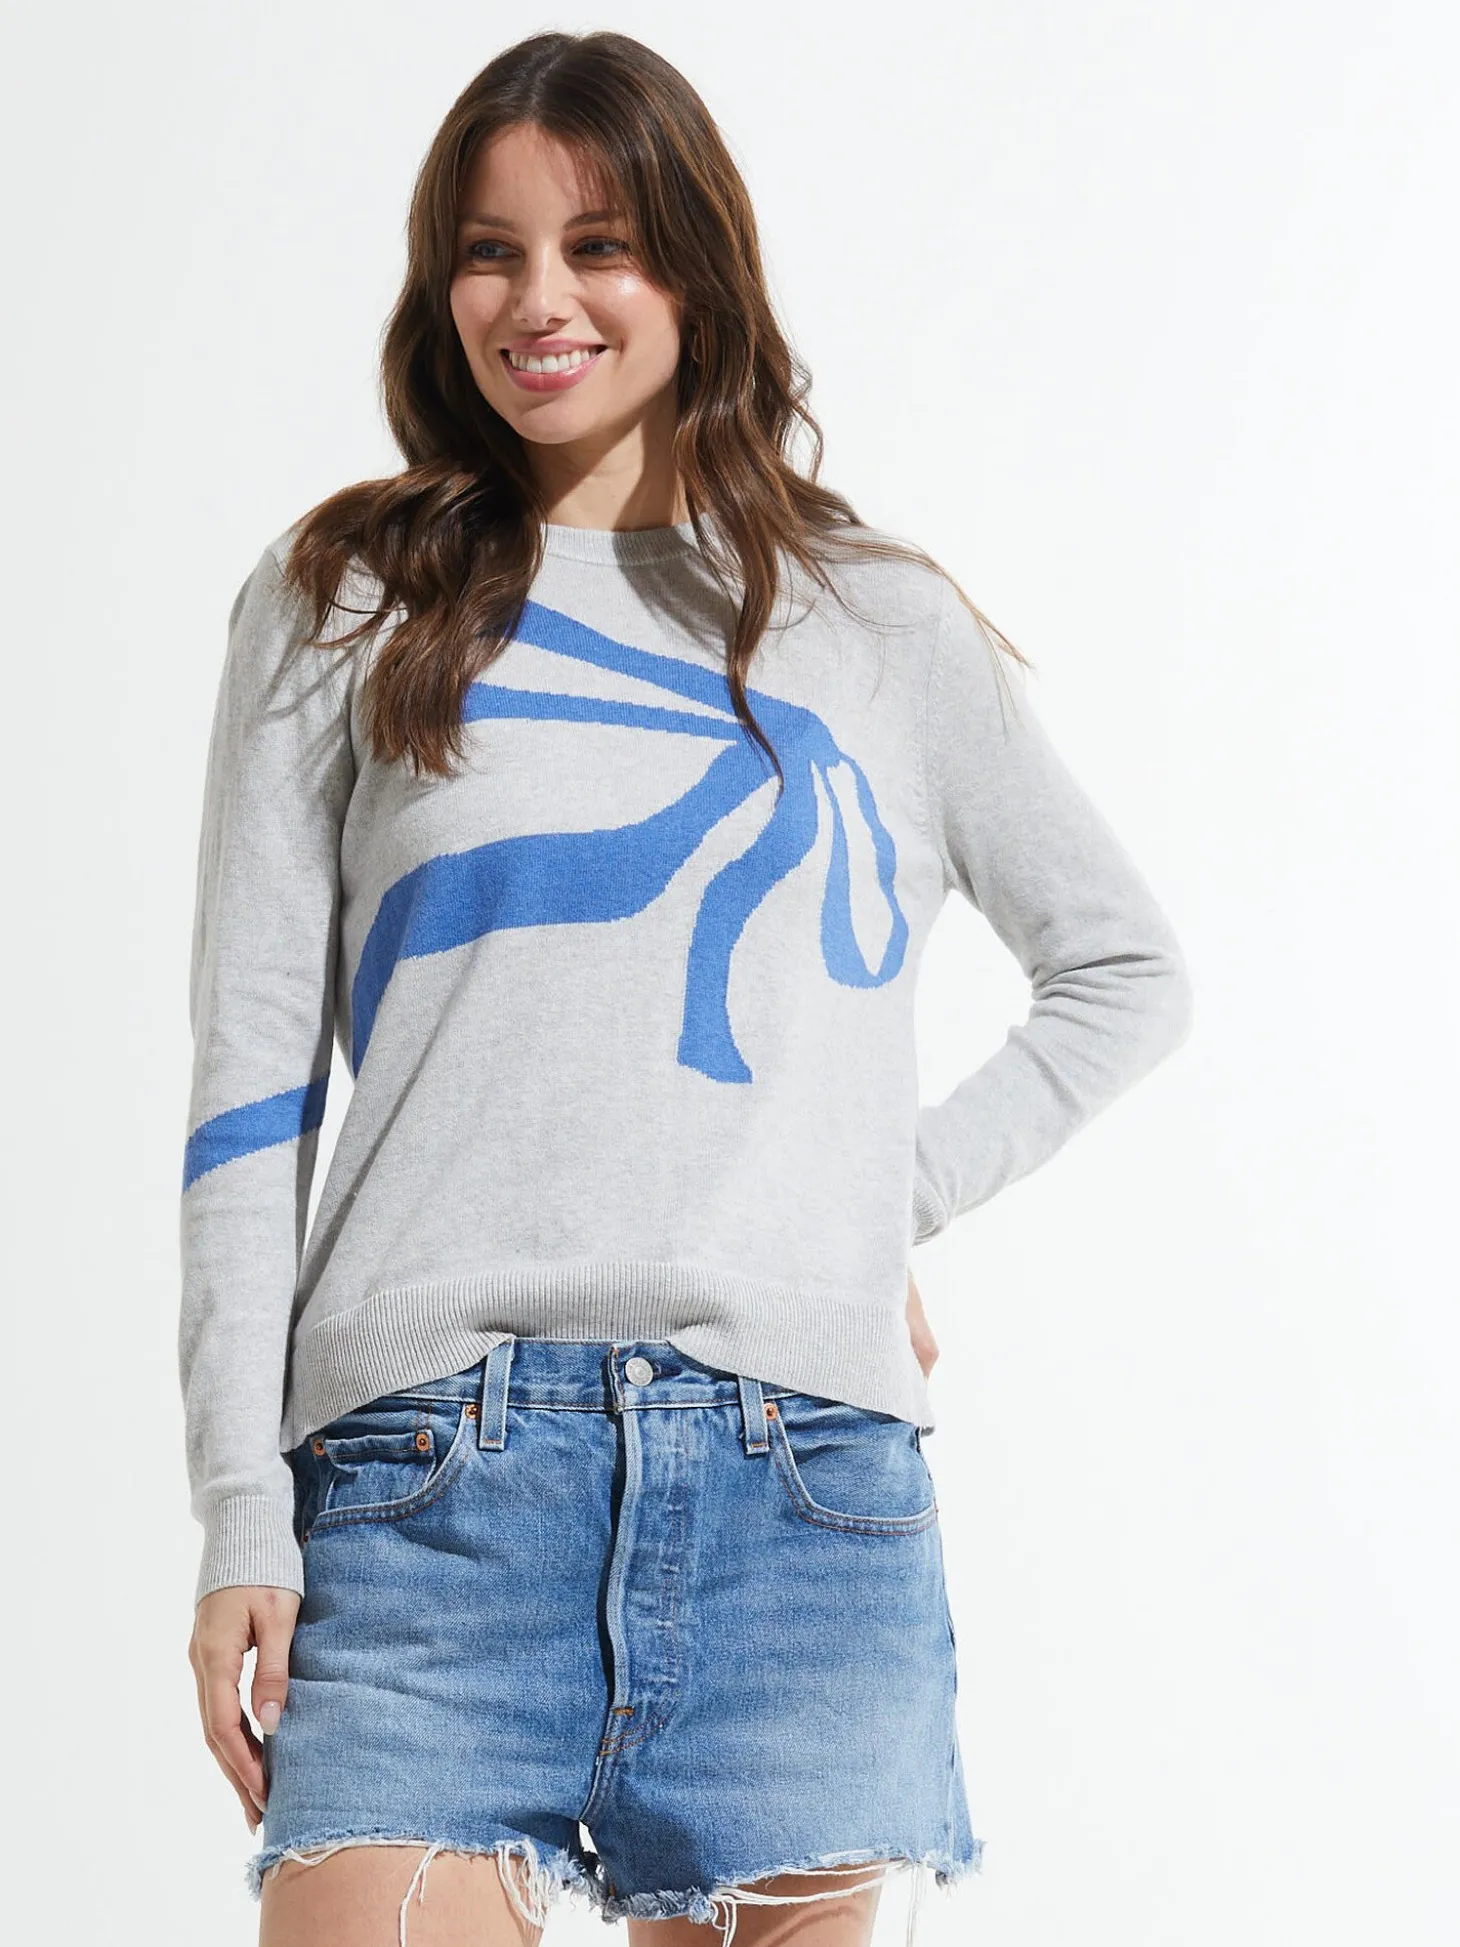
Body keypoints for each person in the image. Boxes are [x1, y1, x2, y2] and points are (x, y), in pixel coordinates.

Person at [179, 29, 1194, 1947]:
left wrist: (867, 1196)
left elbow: (1124, 970)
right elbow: (247, 1088)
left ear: (696, 270)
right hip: (427, 1491)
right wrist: (239, 1503)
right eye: (489, 253)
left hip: (797, 1500)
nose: (538, 300)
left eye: (600, 245)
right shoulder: (343, 599)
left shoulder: (872, 622)